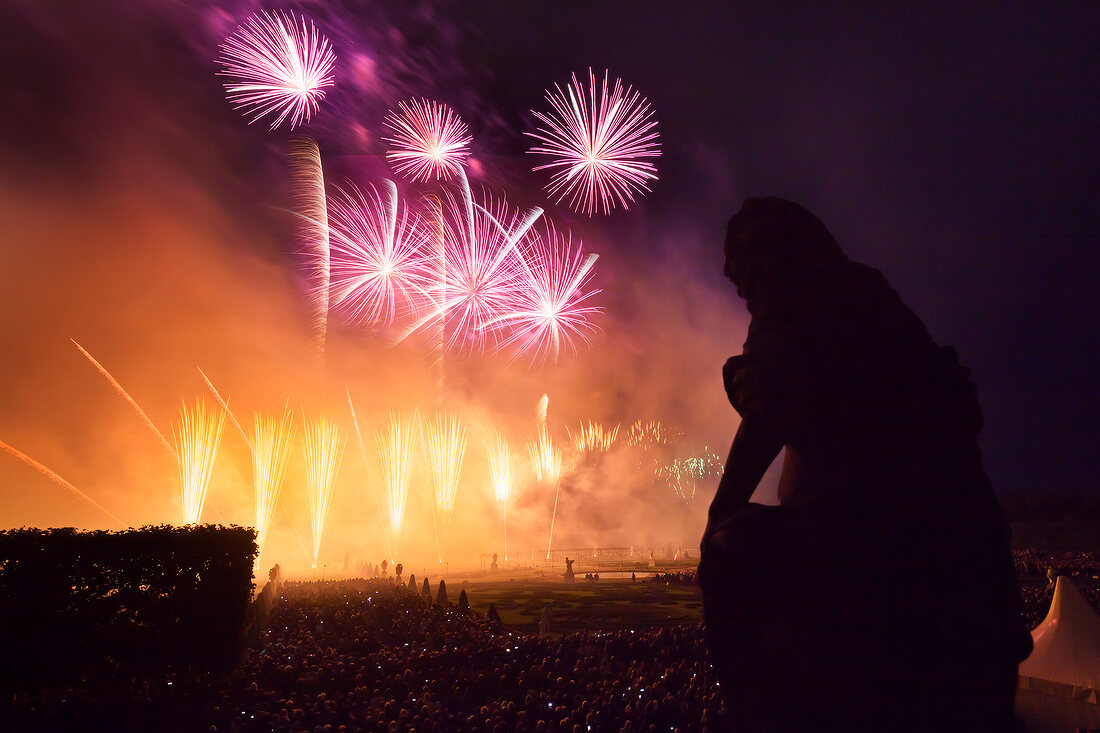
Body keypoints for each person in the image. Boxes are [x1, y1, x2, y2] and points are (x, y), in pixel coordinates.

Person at [698, 197, 1031, 731]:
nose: (730, 274)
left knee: (729, 549)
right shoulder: (875, 305)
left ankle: (748, 713)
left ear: (777, 259)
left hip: (882, 540)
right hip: (960, 557)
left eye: (741, 260)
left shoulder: (806, 306)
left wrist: (719, 514)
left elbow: (768, 400)